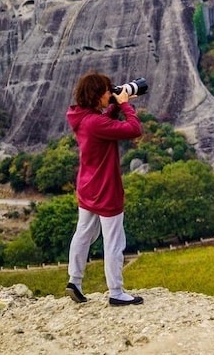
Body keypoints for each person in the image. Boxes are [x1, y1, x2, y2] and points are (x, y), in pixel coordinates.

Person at [64, 71, 144, 306]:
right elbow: (134, 129)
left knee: (84, 233)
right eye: (108, 91)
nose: (111, 93)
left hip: (87, 186)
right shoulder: (95, 122)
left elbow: (101, 123)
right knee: (114, 241)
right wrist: (126, 106)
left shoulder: (79, 116)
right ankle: (116, 292)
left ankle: (74, 281)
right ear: (97, 95)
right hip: (105, 188)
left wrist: (114, 106)